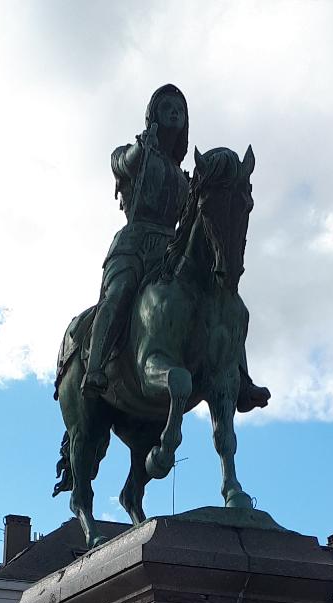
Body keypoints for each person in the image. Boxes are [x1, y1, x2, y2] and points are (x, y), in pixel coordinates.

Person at [81, 84, 269, 411]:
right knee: (120, 292)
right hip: (135, 244)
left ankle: (240, 377)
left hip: (171, 250)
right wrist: (142, 147)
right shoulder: (133, 153)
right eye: (167, 107)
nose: (174, 113)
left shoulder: (184, 177)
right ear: (153, 114)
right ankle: (95, 367)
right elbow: (123, 162)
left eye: (180, 110)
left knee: (223, 298)